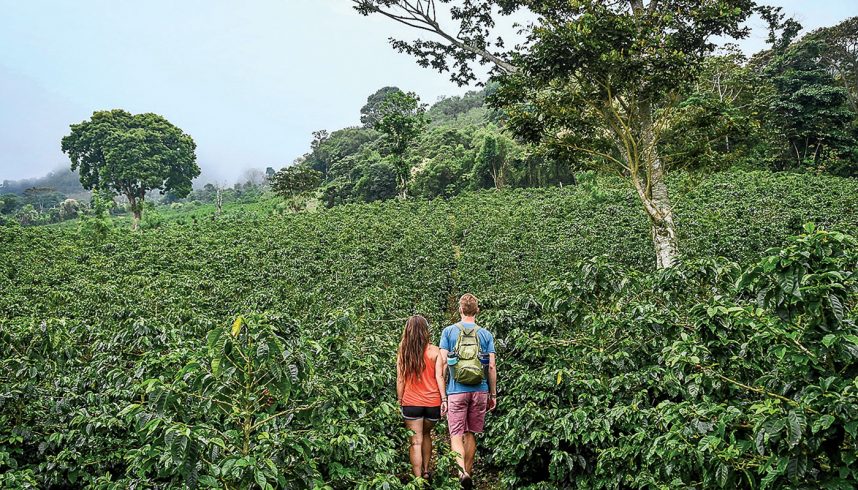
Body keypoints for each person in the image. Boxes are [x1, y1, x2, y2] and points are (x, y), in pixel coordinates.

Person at [438, 293, 497, 489]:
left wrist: (443, 395)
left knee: (456, 434)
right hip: (480, 390)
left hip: (456, 391)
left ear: (460, 309)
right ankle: (468, 473)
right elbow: (491, 367)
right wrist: (493, 394)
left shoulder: (448, 332)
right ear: (477, 310)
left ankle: (461, 473)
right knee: (471, 433)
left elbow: (443, 364)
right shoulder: (486, 334)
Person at [397, 315, 445, 480]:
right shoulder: (435, 351)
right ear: (426, 331)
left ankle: (417, 480)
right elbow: (439, 377)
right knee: (426, 434)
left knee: (415, 442)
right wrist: (444, 400)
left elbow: (400, 379)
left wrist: (400, 400)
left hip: (411, 403)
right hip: (432, 403)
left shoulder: (404, 351)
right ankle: (425, 470)